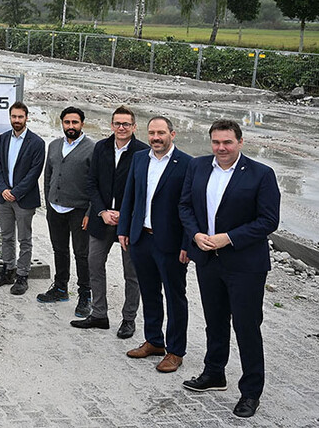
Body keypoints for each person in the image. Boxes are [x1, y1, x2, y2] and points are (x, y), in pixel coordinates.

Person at [179, 120, 281, 419]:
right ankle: (214, 373)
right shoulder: (197, 167)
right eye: (216, 142)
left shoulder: (262, 174)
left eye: (227, 142)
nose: (221, 148)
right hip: (208, 260)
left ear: (240, 142)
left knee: (247, 327)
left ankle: (251, 392)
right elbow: (184, 206)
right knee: (215, 320)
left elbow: (268, 220)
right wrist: (196, 234)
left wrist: (229, 238)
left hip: (245, 265)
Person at [118, 116, 193, 374]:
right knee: (149, 292)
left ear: (173, 134)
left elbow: (191, 208)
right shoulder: (140, 158)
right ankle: (154, 341)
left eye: (161, 132)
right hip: (141, 238)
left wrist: (188, 244)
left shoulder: (187, 164)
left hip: (171, 243)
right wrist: (124, 229)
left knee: (175, 296)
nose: (156, 138)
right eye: (152, 133)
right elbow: (129, 196)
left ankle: (175, 351)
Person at [73, 106, 148, 338]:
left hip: (129, 222)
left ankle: (128, 319)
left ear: (134, 126)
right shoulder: (101, 148)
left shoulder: (142, 152)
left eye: (126, 124)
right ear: (111, 125)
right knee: (94, 264)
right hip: (102, 218)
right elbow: (91, 183)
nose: (121, 128)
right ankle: (99, 314)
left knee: (131, 273)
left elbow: (143, 191)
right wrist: (102, 211)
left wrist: (124, 215)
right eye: (117, 123)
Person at [37, 106, 95, 317]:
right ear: (62, 123)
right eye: (67, 122)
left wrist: (90, 211)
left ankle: (85, 295)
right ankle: (60, 288)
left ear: (82, 124)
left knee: (82, 253)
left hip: (79, 209)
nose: (71, 126)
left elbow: (96, 184)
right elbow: (48, 174)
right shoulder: (54, 145)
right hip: (55, 207)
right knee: (59, 249)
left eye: (75, 122)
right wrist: (49, 199)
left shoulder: (92, 148)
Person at [0, 101, 45, 295]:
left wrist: (16, 192)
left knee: (24, 238)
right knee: (6, 236)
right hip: (4, 197)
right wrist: (4, 188)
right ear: (10, 117)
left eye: (20, 117)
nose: (17, 120)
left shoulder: (37, 143)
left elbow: (34, 172)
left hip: (24, 199)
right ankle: (8, 270)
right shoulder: (4, 138)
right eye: (14, 117)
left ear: (27, 118)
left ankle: (22, 275)